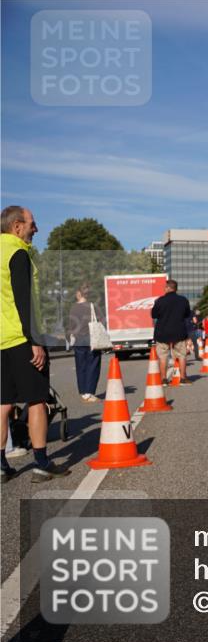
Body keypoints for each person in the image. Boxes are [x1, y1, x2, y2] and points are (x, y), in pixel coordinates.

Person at [0, 206, 71, 483]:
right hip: (21, 338)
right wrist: (35, 342)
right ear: (17, 226)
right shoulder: (18, 253)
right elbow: (24, 300)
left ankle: (2, 467)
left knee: (3, 404)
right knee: (37, 400)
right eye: (32, 224)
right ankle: (41, 463)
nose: (36, 229)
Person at [151, 279, 192, 385]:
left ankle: (164, 379)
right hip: (179, 332)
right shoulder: (183, 300)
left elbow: (154, 315)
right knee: (181, 355)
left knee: (163, 356)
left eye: (165, 287)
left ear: (169, 288)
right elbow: (187, 314)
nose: (164, 289)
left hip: (162, 332)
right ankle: (183, 378)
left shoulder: (160, 300)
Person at [66, 285, 102, 403]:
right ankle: (90, 392)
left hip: (78, 341)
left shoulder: (73, 308)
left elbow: (70, 326)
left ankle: (82, 392)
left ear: (79, 294)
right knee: (93, 366)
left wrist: (70, 338)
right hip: (92, 341)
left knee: (80, 367)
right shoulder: (93, 307)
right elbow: (101, 322)